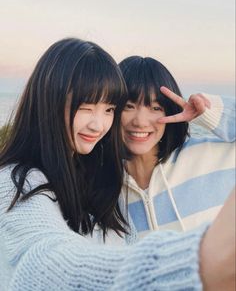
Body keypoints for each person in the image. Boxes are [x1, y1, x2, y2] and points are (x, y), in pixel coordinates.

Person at [0, 38, 234, 290]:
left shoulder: (96, 183)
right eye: (86, 107)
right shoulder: (15, 181)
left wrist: (211, 112)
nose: (98, 124)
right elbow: (45, 261)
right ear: (49, 100)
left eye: (109, 109)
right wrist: (200, 263)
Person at [119, 56, 235, 237]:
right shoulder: (104, 189)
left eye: (156, 108)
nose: (140, 122)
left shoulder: (211, 156)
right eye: (128, 106)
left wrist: (211, 112)